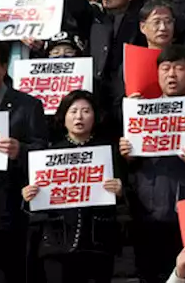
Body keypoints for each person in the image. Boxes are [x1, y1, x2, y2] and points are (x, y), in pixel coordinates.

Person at [120, 45, 185, 283]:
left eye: (179, 68)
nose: (171, 74)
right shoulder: (140, 113)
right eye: (165, 68)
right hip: (148, 215)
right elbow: (127, 170)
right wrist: (127, 156)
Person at [22, 90, 124, 283]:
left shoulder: (108, 152)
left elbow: (124, 197)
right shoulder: (48, 154)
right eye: (73, 111)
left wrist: (120, 191)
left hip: (98, 241)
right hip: (56, 242)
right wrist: (29, 196)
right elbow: (34, 208)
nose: (79, 116)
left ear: (95, 116)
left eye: (86, 111)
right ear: (63, 116)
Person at [0, 36, 47, 283]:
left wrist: (20, 151)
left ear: (4, 67)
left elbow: (44, 152)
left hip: (9, 211)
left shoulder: (28, 105)